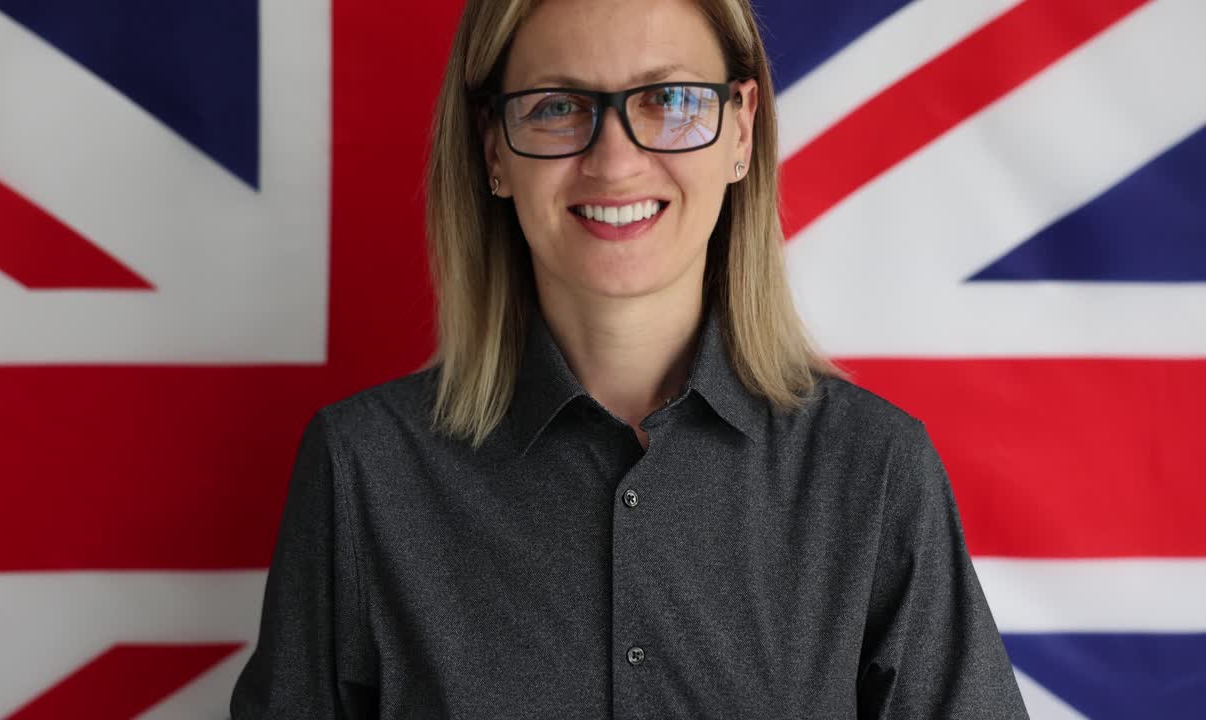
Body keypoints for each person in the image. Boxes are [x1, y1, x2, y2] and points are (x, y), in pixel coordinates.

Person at [229, 0, 1029, 717]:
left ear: (741, 130)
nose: (614, 161)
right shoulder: (363, 469)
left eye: (670, 99)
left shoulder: (873, 471)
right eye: (556, 107)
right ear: (493, 150)